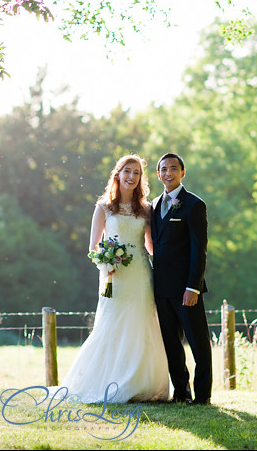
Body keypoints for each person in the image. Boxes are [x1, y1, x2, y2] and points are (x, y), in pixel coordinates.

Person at [51, 154, 170, 403]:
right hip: (113, 276)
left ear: (141, 179)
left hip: (140, 274)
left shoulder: (146, 210)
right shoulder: (104, 207)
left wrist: (171, 259)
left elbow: (150, 247)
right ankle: (109, 382)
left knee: (141, 324)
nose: (131, 177)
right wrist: (106, 264)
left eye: (136, 173)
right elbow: (93, 247)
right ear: (118, 174)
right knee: (112, 324)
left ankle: (142, 385)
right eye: (127, 171)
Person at [151, 152, 212, 405]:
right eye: (163, 169)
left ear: (182, 172)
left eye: (173, 168)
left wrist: (193, 287)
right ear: (158, 174)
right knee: (172, 346)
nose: (168, 173)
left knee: (198, 344)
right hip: (161, 288)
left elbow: (199, 250)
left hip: (186, 289)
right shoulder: (154, 204)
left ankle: (203, 396)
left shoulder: (194, 205)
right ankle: (181, 392)